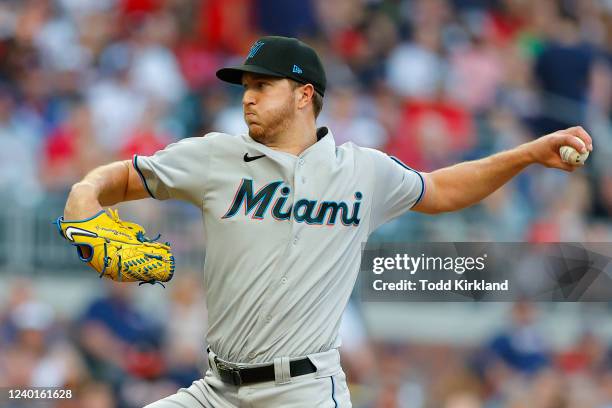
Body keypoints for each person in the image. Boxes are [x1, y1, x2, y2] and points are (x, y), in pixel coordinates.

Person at [62, 36, 593, 407]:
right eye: (244, 85)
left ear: (303, 94)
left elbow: (443, 189)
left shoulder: (363, 171)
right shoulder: (213, 157)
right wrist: (84, 195)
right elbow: (119, 180)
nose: (246, 96)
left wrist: (525, 154)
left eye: (262, 85)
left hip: (305, 392)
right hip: (216, 389)